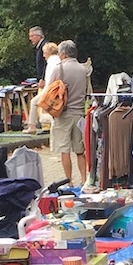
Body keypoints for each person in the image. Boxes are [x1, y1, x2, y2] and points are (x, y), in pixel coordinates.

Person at [50, 40, 90, 184]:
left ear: (63, 53)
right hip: (79, 113)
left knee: (64, 150)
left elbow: (50, 90)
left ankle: (69, 181)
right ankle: (84, 179)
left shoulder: (58, 69)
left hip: (63, 114)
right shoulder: (83, 69)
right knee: (80, 151)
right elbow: (87, 91)